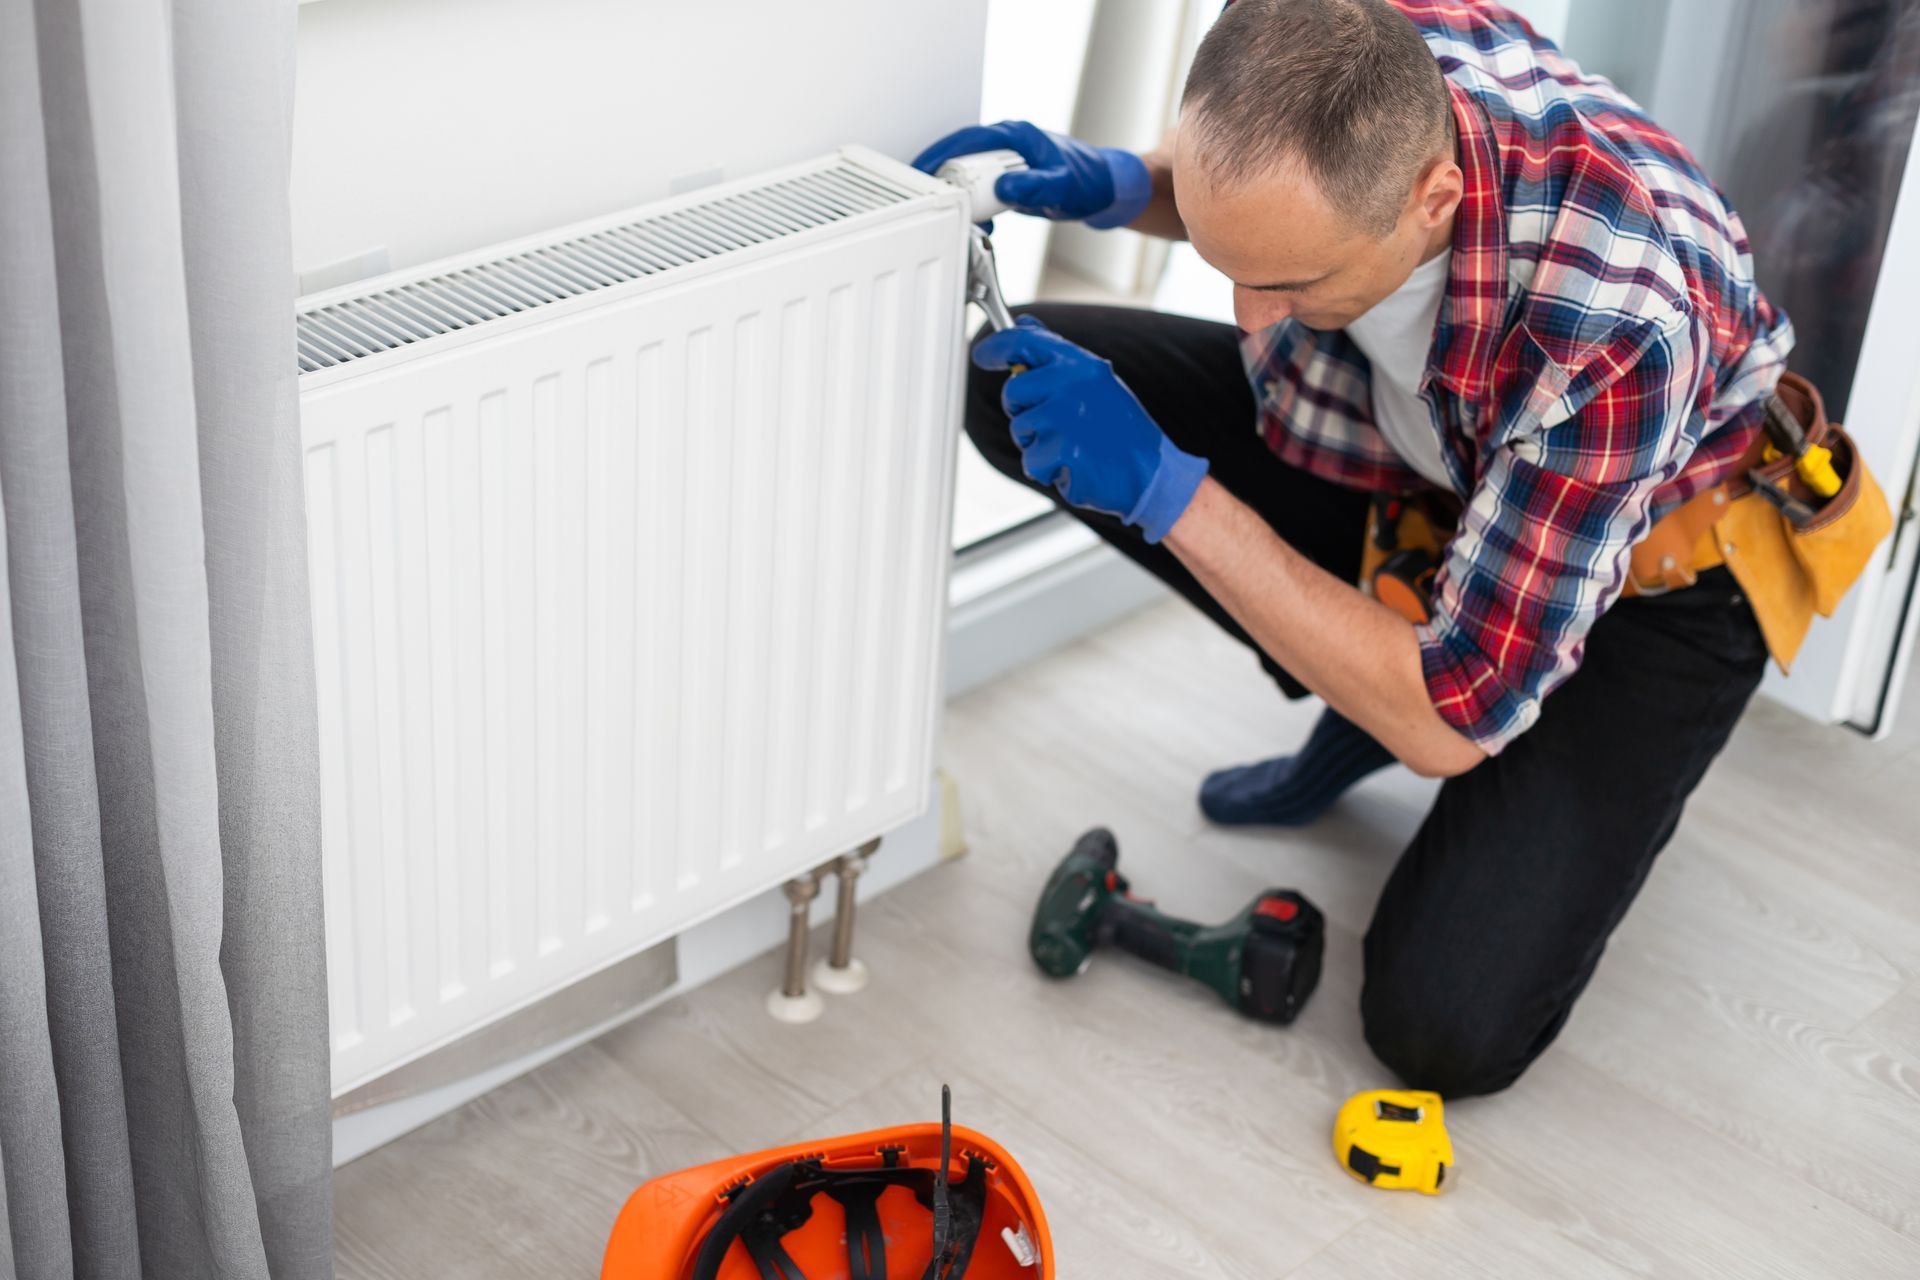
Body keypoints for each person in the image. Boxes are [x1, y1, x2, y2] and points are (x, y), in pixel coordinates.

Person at [918, 0, 1794, 1098]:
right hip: (1424, 474)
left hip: (1657, 577)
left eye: (1293, 284)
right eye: (1239, 262)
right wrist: (1133, 186)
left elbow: (1448, 715)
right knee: (1009, 391)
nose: (1252, 313)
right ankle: (1359, 682)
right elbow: (1266, 198)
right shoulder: (1356, 49)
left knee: (1440, 1028)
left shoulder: (1615, 328)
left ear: (1433, 200)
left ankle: (1378, 693)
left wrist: (1166, 491)